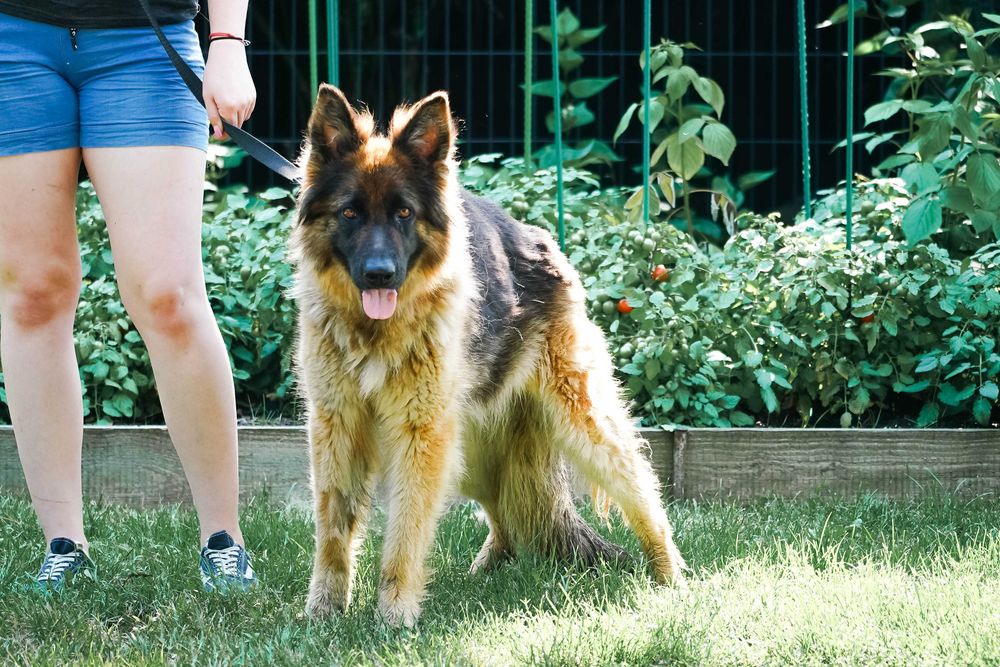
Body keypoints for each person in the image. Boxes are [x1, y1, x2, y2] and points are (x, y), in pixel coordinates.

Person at [0, 0, 257, 591]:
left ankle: (224, 540)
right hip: (14, 36)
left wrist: (226, 41)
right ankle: (63, 543)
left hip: (144, 40)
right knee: (34, 293)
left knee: (168, 294)